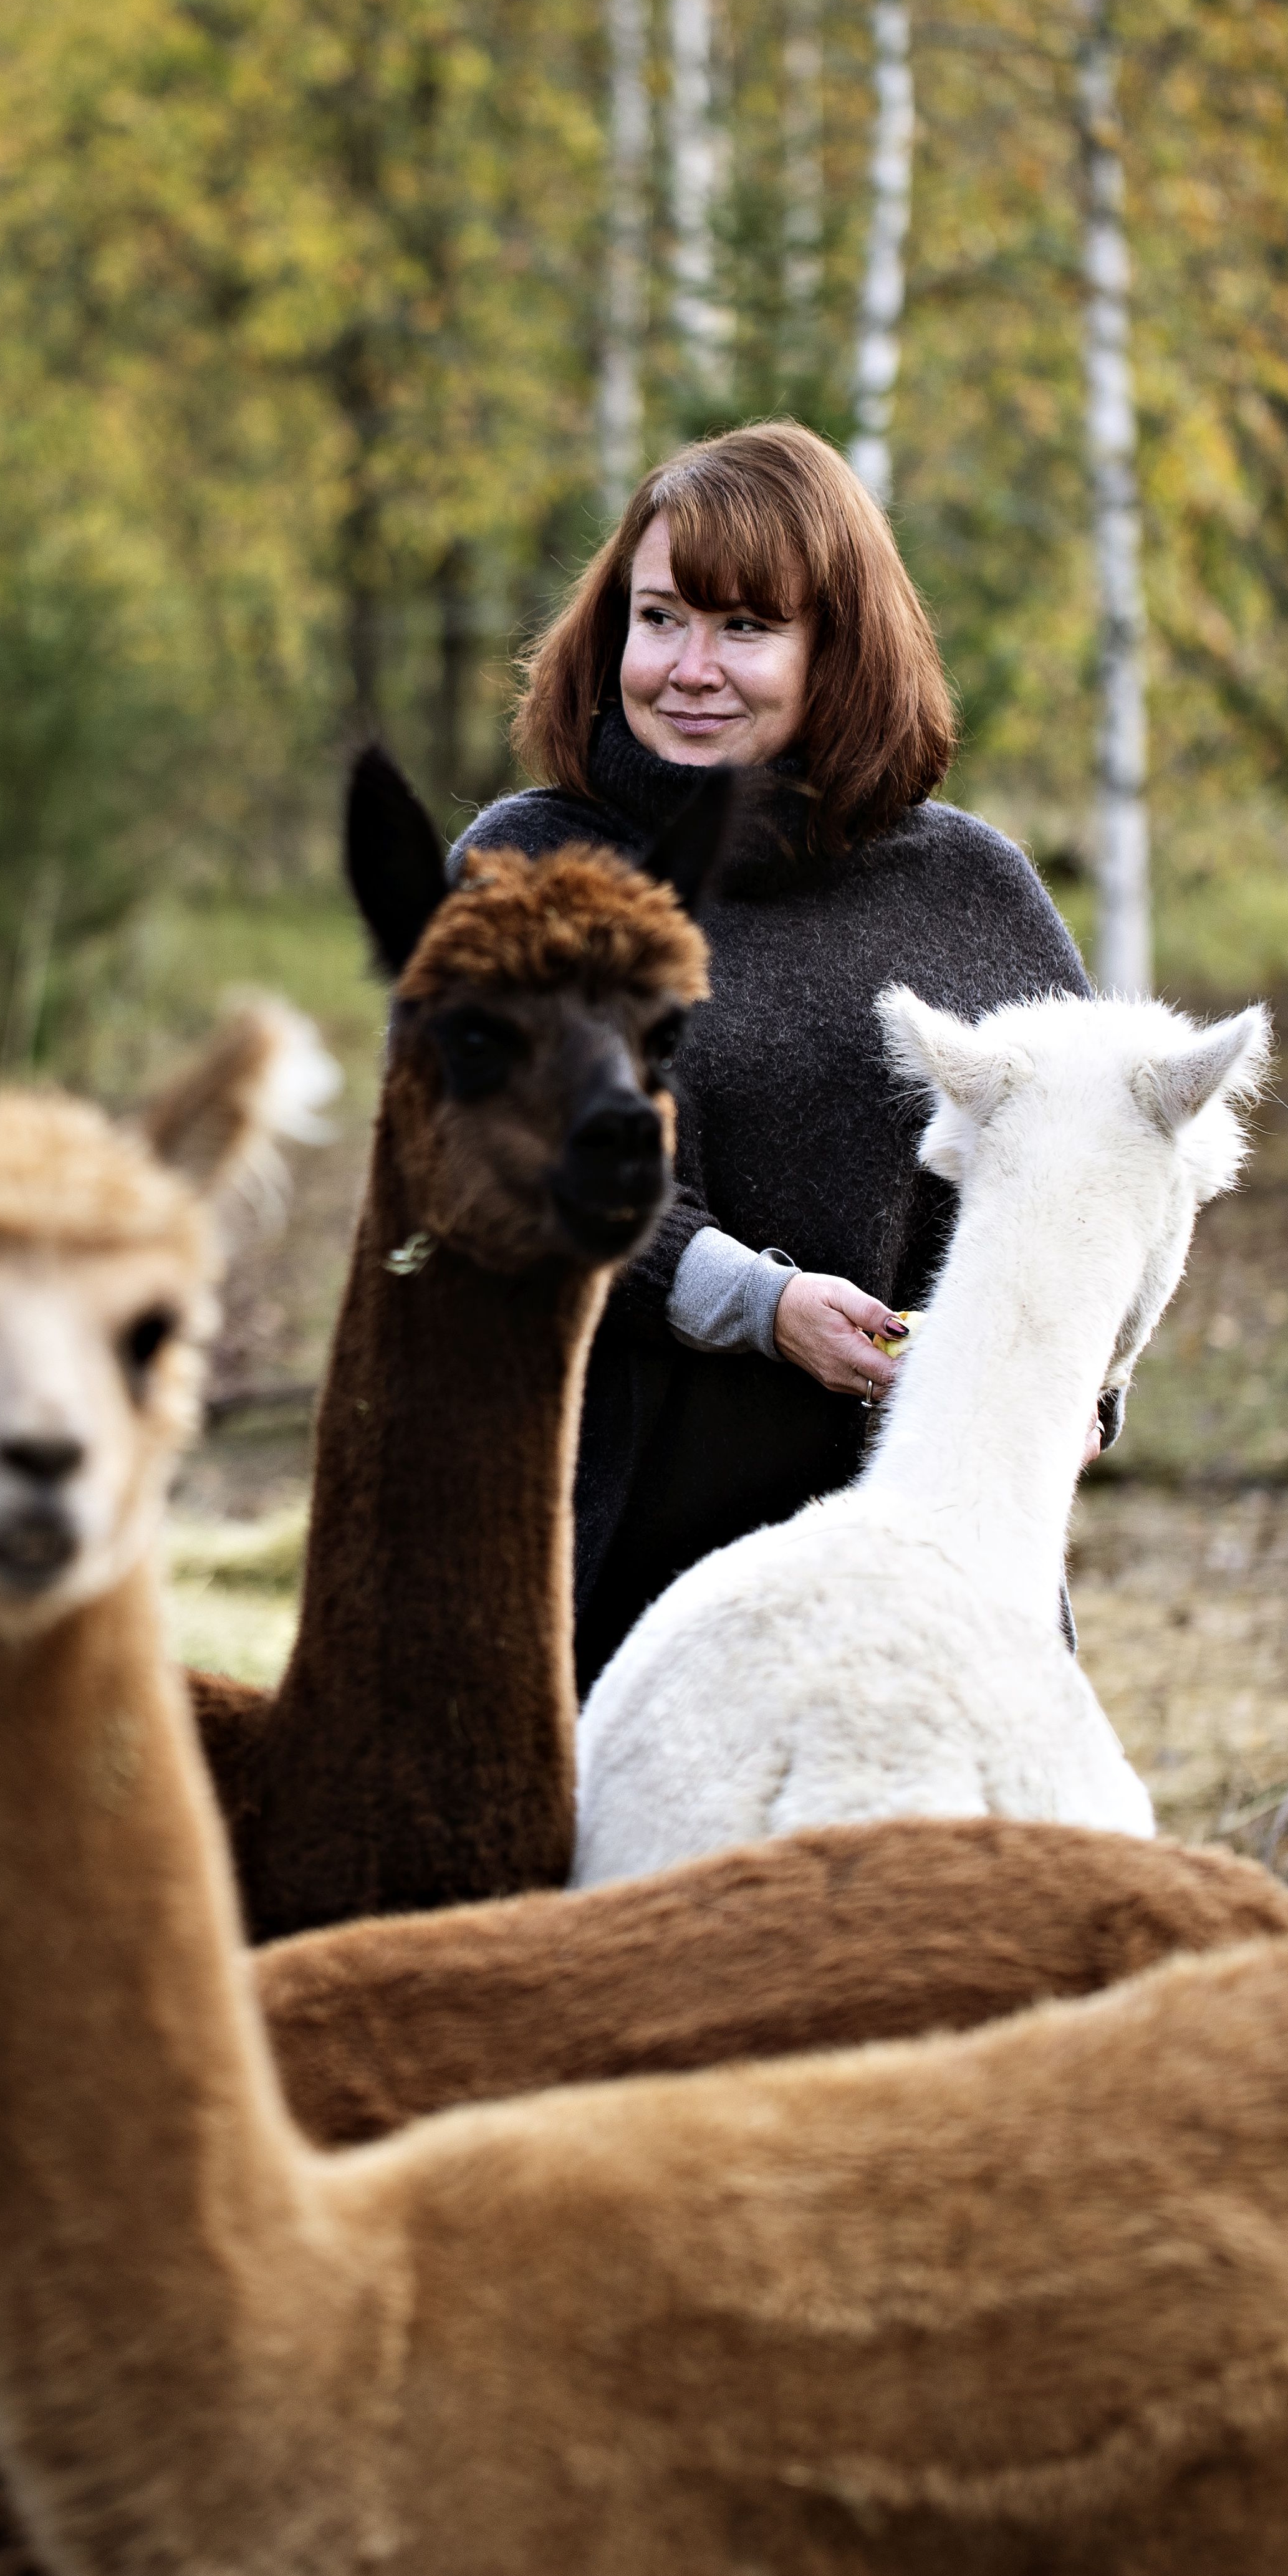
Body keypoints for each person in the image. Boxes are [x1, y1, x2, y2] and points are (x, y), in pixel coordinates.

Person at [455, 418, 1100, 1697]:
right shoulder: (528, 864)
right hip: (608, 1568)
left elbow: (1085, 1180)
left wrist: (1071, 1375)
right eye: (660, 618)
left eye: (747, 627)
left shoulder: (971, 889)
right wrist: (764, 1307)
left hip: (924, 1568)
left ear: (838, 649)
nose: (690, 667)